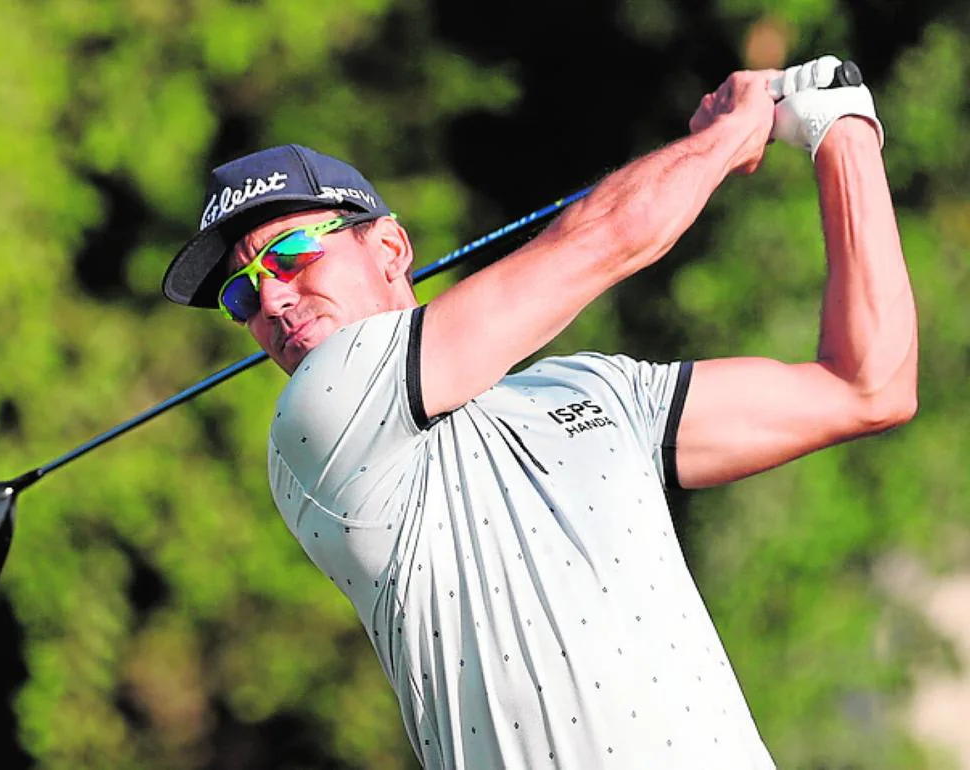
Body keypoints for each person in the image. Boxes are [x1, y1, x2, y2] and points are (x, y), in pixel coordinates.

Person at [161, 55, 917, 769]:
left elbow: (869, 386)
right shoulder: (318, 423)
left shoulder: (592, 391)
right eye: (241, 294)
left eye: (289, 255)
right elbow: (611, 239)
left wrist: (839, 125)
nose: (270, 300)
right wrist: (728, 136)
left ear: (391, 247)